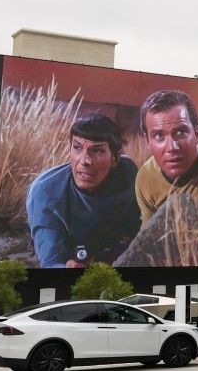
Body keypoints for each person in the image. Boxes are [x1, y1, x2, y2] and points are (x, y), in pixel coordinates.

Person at [26, 113, 140, 268]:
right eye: (77, 147)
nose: (85, 160)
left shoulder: (128, 173)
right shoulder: (46, 192)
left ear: (114, 158)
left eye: (97, 151)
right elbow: (51, 262)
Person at [134, 89, 198, 226]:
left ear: (196, 134)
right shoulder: (146, 177)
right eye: (159, 136)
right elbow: (150, 239)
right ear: (147, 142)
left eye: (181, 132)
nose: (172, 147)